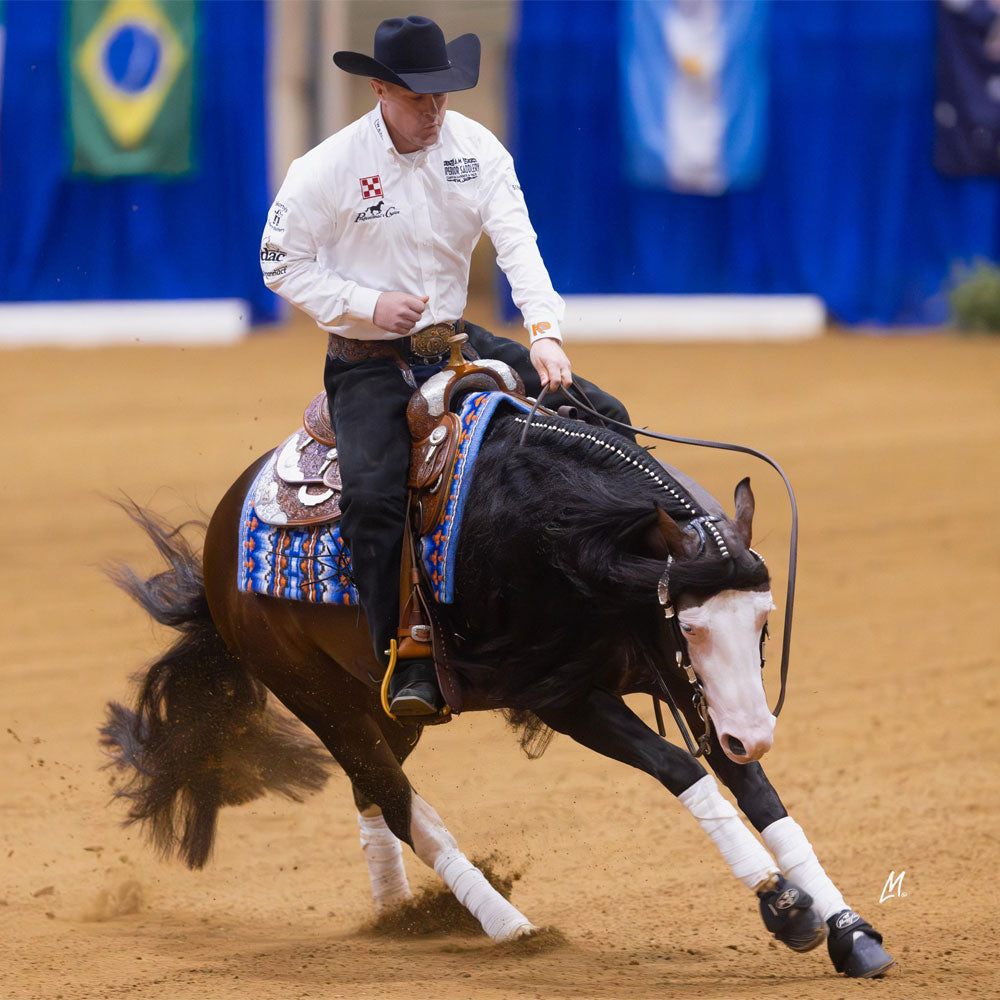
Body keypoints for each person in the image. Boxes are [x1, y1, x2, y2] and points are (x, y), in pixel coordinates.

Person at [261, 15, 631, 717]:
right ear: (379, 89)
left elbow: (518, 244)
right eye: (417, 98)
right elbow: (278, 262)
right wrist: (367, 303)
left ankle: (618, 583)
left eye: (443, 96)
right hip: (367, 363)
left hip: (458, 342)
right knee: (372, 498)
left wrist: (545, 333)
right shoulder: (326, 169)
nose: (434, 111)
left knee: (600, 414)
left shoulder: (475, 149)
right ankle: (401, 652)